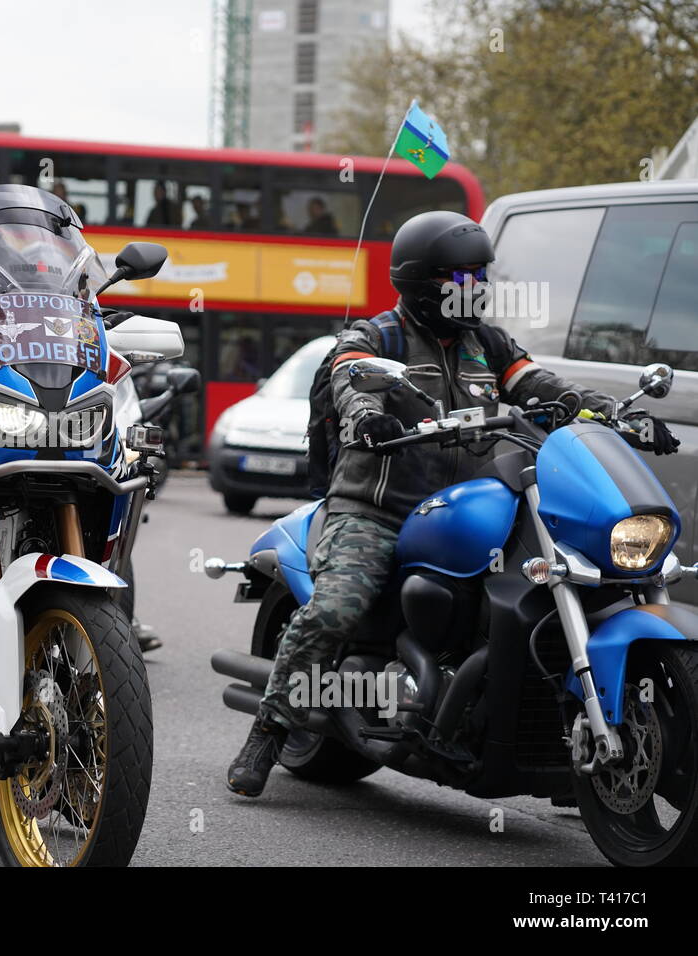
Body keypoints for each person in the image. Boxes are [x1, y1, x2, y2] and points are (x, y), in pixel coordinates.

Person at [225, 210, 681, 798]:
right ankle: (269, 729)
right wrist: (367, 416)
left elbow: (544, 389)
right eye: (461, 278)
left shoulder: (488, 346)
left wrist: (619, 416)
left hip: (467, 505)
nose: (476, 288)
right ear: (422, 283)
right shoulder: (377, 338)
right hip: (377, 510)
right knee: (338, 608)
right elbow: (349, 376)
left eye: (480, 276)